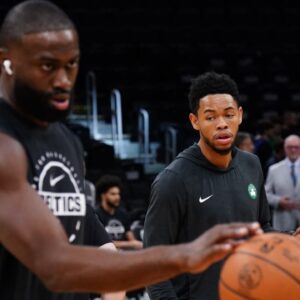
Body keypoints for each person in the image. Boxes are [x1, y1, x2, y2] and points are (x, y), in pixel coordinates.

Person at [0, 1, 262, 299]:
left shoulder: (66, 141)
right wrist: (185, 255)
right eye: (47, 66)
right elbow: (53, 265)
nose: (63, 81)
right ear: (5, 62)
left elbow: (89, 235)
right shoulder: (4, 145)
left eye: (71, 64)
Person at [143, 71, 276, 300]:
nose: (222, 124)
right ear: (195, 121)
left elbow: (262, 227)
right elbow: (152, 263)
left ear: (240, 116)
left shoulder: (251, 165)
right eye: (211, 117)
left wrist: (288, 240)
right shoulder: (173, 180)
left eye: (228, 115)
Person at [95, 175, 143, 250]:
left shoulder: (123, 214)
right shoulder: (96, 215)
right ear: (103, 196)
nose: (117, 197)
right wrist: (130, 244)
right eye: (113, 194)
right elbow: (101, 242)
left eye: (118, 194)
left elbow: (132, 239)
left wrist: (134, 244)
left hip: (123, 255)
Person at [265, 134, 300, 231]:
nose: (293, 150)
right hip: (282, 221)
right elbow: (265, 194)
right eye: (290, 147)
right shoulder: (274, 169)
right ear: (284, 148)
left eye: (296, 147)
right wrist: (279, 201)